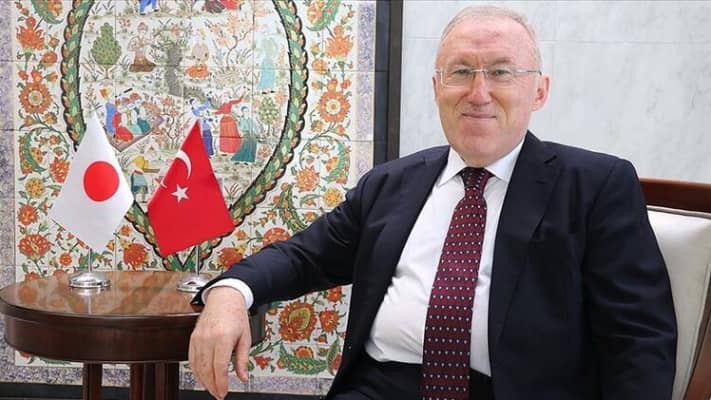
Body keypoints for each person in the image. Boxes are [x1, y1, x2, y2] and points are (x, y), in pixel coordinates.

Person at [189, 5, 677, 400]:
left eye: (501, 72)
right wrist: (231, 293)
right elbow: (303, 256)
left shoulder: (595, 186)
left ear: (539, 91)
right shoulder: (390, 185)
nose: (479, 93)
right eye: (461, 71)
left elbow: (638, 339)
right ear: (437, 87)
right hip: (378, 388)